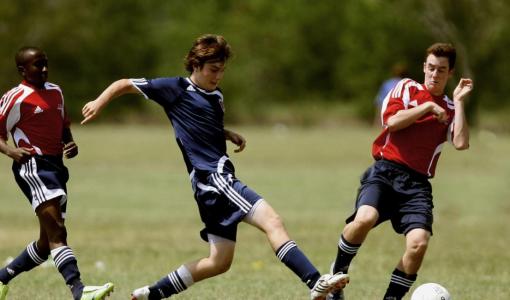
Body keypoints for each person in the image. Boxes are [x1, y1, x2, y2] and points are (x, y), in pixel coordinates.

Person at [81, 34, 349, 300]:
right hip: (214, 179)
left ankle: (153, 293)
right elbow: (124, 83)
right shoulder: (175, 89)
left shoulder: (216, 95)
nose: (218, 76)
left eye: (222, 70)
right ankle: (315, 281)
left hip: (209, 185)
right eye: (213, 69)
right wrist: (99, 102)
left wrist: (226, 133)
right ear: (196, 65)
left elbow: (201, 126)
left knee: (219, 262)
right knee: (272, 221)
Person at [328, 43, 473, 300]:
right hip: (385, 172)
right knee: (364, 219)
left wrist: (460, 102)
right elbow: (392, 123)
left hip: (417, 184)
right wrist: (428, 107)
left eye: (441, 70)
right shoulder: (406, 87)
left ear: (450, 73)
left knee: (419, 244)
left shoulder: (450, 109)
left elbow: (460, 142)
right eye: (430, 68)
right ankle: (336, 275)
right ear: (423, 67)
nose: (434, 74)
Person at [0, 47, 114, 300]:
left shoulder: (56, 91)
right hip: (33, 167)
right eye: (37, 65)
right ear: (22, 70)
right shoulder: (16, 97)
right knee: (58, 232)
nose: (44, 69)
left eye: (45, 64)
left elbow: (63, 125)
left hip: (56, 167)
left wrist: (69, 142)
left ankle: (1, 279)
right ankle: (79, 290)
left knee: (45, 243)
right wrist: (11, 152)